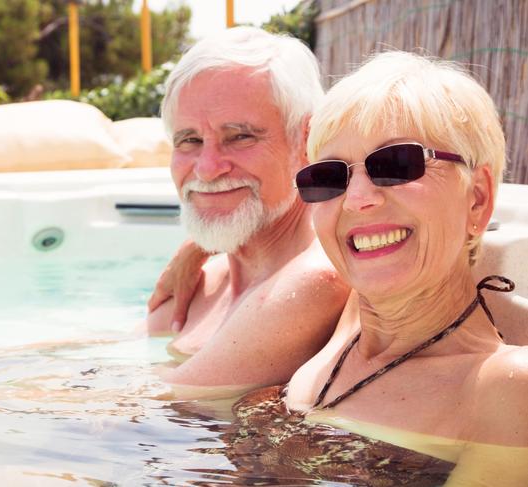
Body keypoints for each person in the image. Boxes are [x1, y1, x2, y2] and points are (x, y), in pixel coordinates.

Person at [273, 50, 527, 484]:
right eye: (330, 176)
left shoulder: (504, 389)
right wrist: (197, 251)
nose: (356, 199)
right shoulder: (353, 313)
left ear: (478, 198)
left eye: (396, 165)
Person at [143, 26, 350, 392]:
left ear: (307, 141)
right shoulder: (204, 281)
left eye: (240, 136)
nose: (207, 169)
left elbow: (157, 410)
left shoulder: (310, 282)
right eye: (189, 140)